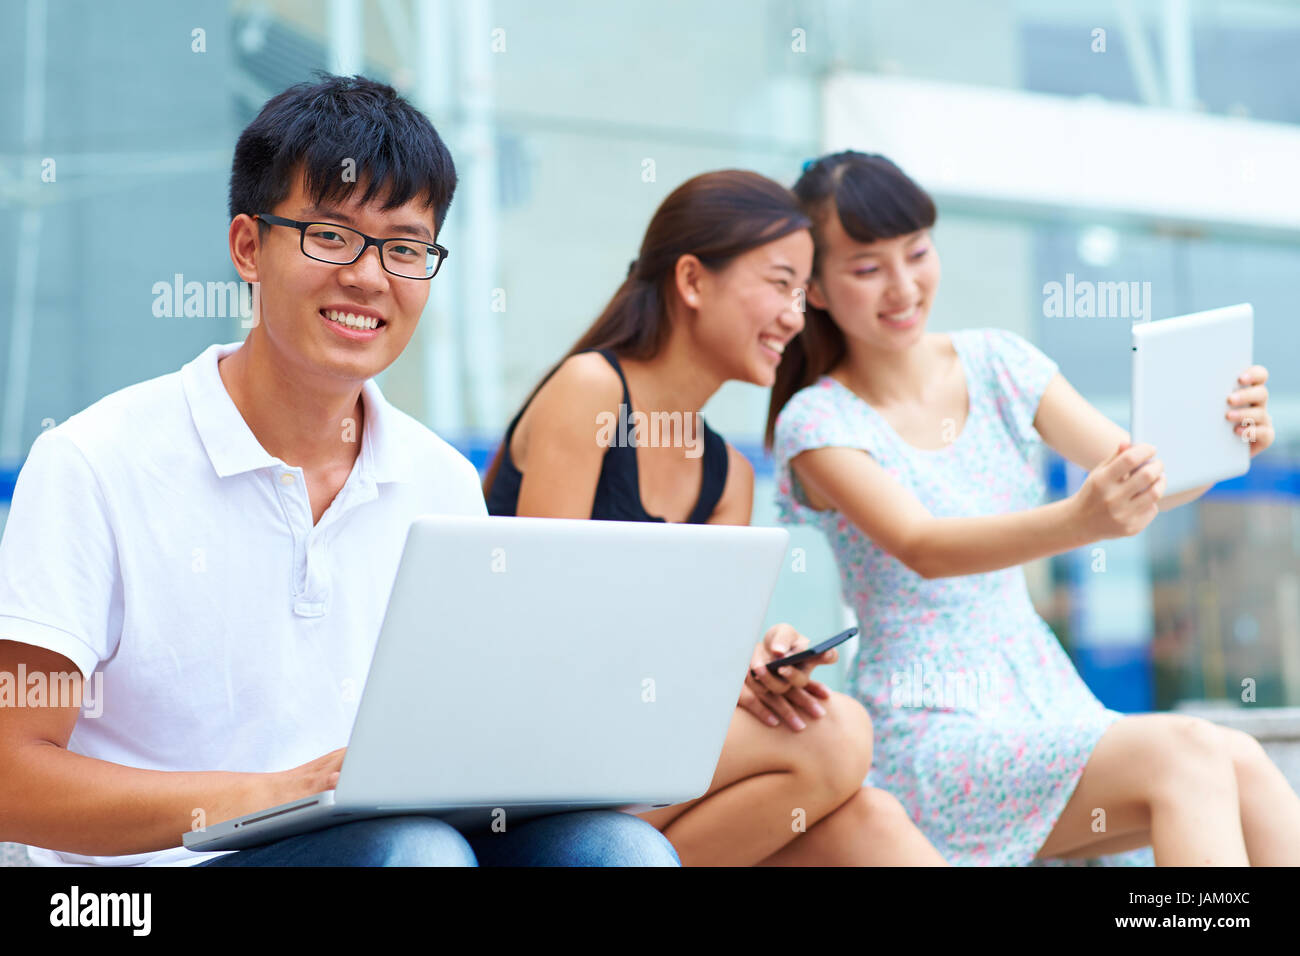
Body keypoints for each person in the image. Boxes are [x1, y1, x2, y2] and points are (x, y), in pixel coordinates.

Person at [0, 75, 677, 868]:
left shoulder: (441, 482)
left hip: (385, 842)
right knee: (414, 855)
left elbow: (462, 743)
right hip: (138, 890)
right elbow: (14, 776)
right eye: (329, 236)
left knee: (618, 849)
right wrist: (276, 793)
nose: (367, 276)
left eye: (404, 247)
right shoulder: (93, 461)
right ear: (248, 246)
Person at [768, 149, 1300, 866]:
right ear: (818, 290)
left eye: (917, 253)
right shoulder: (817, 420)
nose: (903, 286)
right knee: (1191, 750)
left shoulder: (999, 362)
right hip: (933, 732)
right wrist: (1080, 521)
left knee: (1240, 761)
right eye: (867, 268)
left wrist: (1229, 438)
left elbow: (1144, 476)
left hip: (1047, 700)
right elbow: (923, 545)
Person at [484, 169, 946, 866]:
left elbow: (698, 654)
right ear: (693, 281)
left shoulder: (726, 474)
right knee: (839, 733)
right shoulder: (591, 392)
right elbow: (544, 622)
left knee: (867, 819)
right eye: (781, 283)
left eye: (803, 293)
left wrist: (758, 661)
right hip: (535, 749)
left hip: (638, 757)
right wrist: (706, 673)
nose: (796, 315)